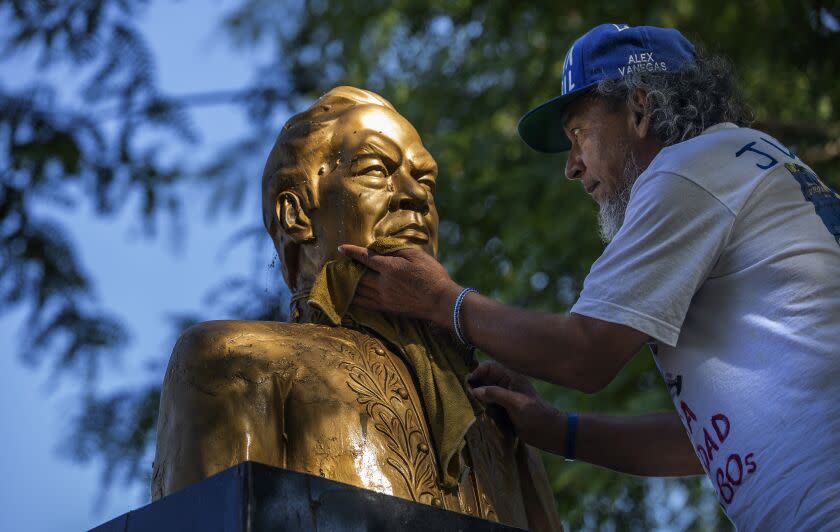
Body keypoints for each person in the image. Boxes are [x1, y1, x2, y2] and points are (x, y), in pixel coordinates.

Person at [338, 24, 840, 530]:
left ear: (640, 110)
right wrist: (561, 432)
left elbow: (586, 352)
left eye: (578, 135)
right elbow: (710, 441)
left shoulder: (685, 172)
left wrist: (442, 300)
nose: (572, 167)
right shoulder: (749, 161)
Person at [151, 86, 561, 531]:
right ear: (296, 214)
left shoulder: (493, 411)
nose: (414, 196)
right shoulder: (237, 361)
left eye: (425, 180)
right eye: (374, 170)